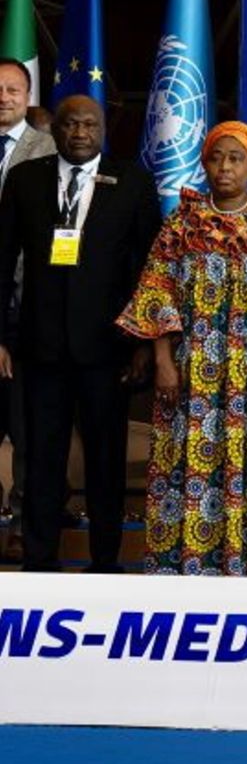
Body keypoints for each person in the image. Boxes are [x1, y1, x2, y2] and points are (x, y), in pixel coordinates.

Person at [117, 122, 247, 575]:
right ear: (203, 163)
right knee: (192, 470)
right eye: (215, 158)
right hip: (195, 373)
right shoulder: (182, 221)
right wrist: (164, 361)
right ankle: (190, 570)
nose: (224, 167)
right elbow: (157, 291)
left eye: (235, 158)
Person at [0, 94, 160, 572]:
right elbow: (2, 259)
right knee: (42, 459)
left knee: (105, 460)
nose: (79, 133)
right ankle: (39, 559)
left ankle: (106, 562)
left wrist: (142, 344)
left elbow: (148, 270)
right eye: (70, 124)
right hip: (40, 347)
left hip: (107, 351)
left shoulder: (132, 182)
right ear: (56, 129)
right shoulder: (25, 179)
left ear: (104, 128)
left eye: (89, 124)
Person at [0, 59, 55, 563]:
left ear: (27, 95)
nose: (4, 96)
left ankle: (22, 522)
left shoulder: (50, 151)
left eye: (13, 89)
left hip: (22, 308)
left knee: (26, 427)